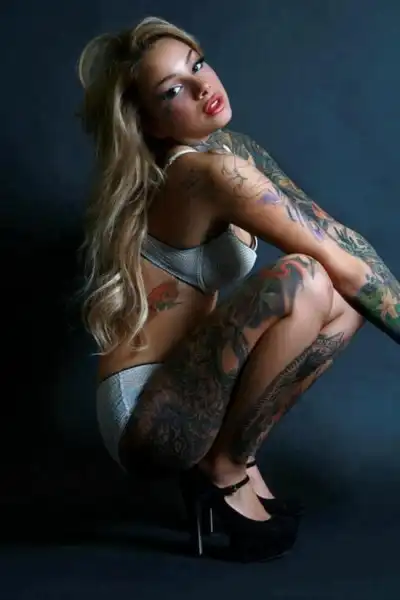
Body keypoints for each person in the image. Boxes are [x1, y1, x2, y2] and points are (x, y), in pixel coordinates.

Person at [77, 16, 400, 562]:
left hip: (192, 381)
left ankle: (236, 457)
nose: (203, 86)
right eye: (173, 90)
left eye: (198, 64)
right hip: (147, 414)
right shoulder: (206, 174)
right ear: (149, 122)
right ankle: (222, 468)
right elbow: (337, 265)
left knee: (343, 301)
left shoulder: (233, 150)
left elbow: (341, 242)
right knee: (304, 278)